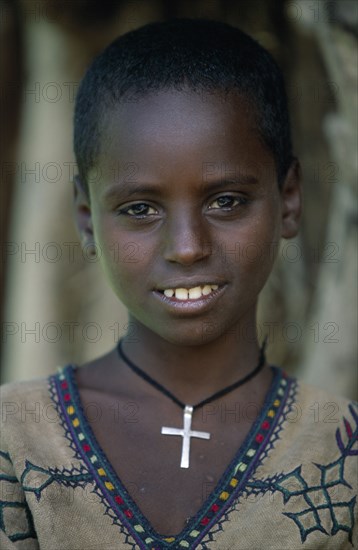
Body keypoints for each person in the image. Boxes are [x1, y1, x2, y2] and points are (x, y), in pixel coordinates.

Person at [0, 18, 356, 550]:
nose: (187, 247)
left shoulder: (342, 452)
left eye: (226, 201)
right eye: (140, 209)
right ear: (86, 218)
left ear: (288, 199)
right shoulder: (14, 437)